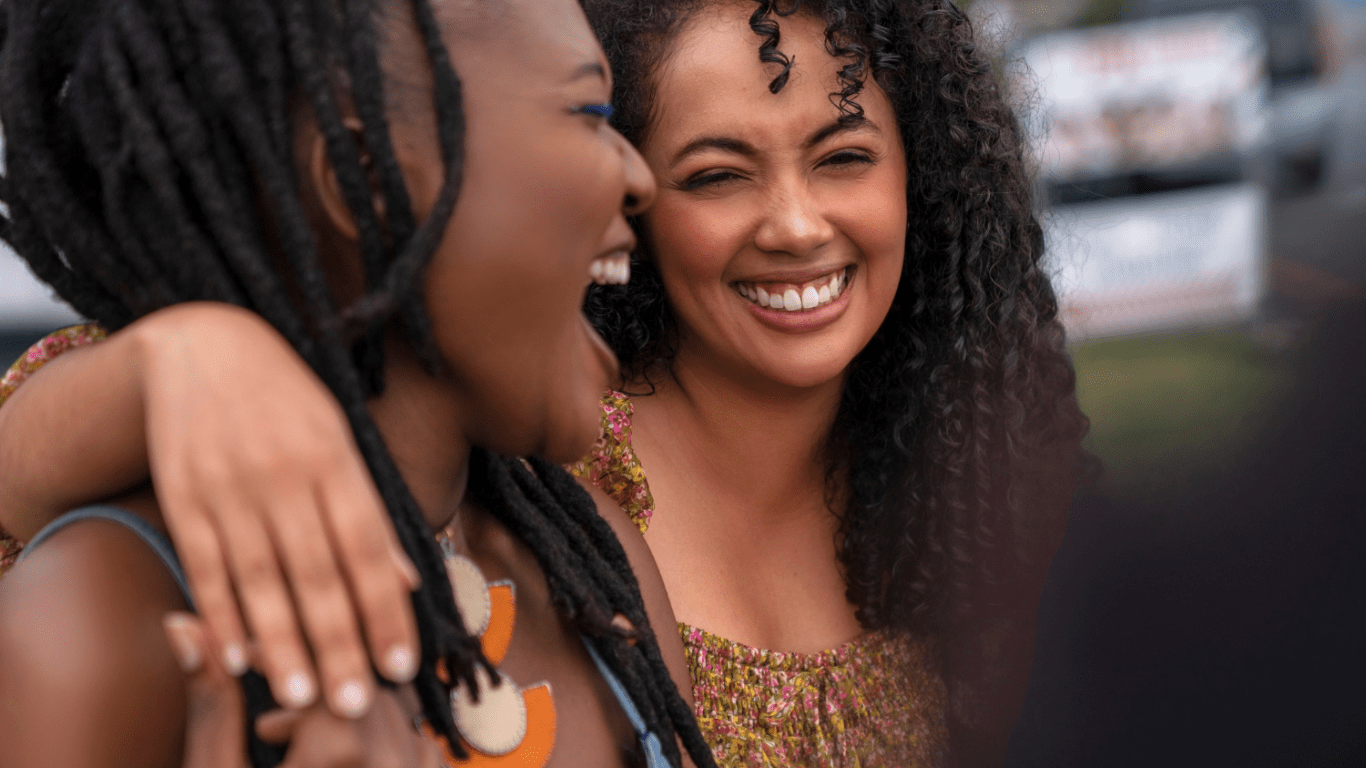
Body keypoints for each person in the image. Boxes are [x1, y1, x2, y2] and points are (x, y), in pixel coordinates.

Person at [0, 0, 1089, 765]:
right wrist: (181, 355)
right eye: (711, 171)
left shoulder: (587, 557)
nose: (796, 223)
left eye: (844, 156)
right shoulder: (567, 450)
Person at [0, 0, 714, 766]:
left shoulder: (591, 563)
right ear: (368, 182)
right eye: (587, 111)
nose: (640, 176)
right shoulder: (99, 622)